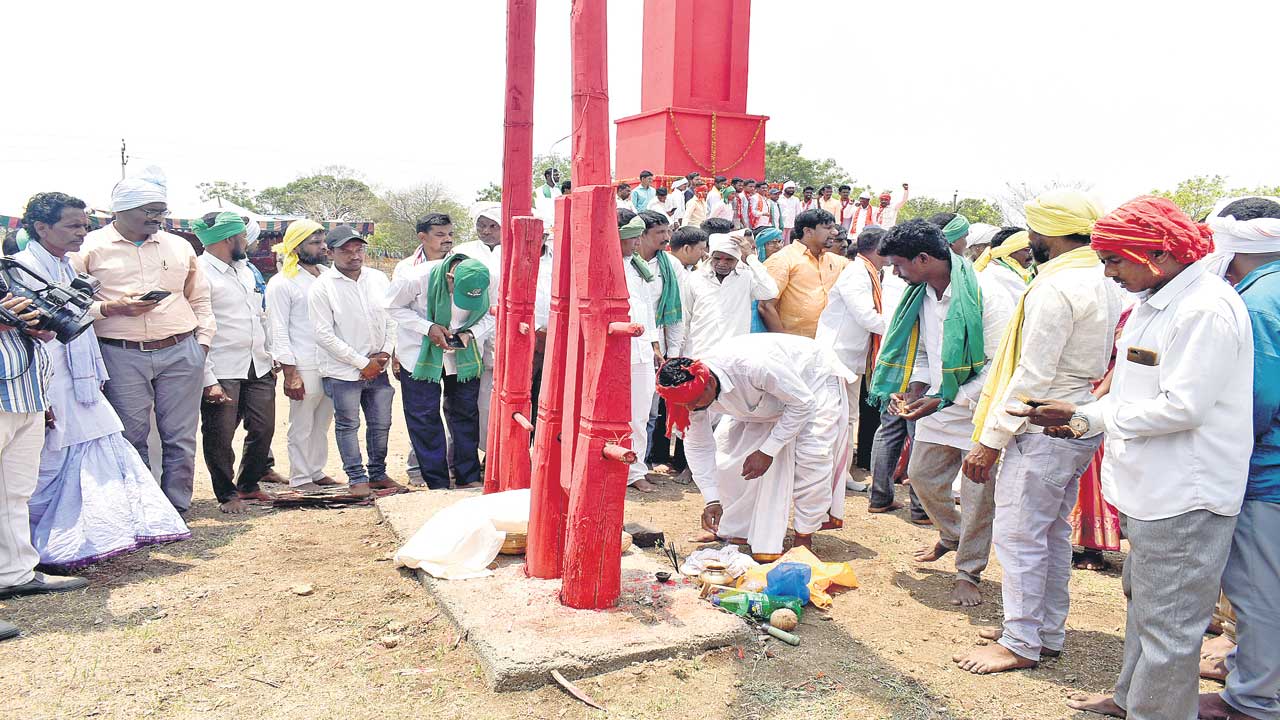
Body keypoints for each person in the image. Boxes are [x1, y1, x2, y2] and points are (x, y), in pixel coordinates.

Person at [1012, 197, 1252, 720]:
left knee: (1170, 625)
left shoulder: (1204, 309)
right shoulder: (1157, 299)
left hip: (1185, 493)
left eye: (1115, 261)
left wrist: (1087, 417)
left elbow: (1183, 407)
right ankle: (1129, 698)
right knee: (1147, 606)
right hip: (1151, 487)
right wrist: (1082, 413)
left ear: (1157, 257)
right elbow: (1132, 386)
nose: (1108, 273)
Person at [953, 189, 1119, 673]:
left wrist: (990, 441)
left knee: (1021, 535)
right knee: (1049, 536)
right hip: (1077, 422)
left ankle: (1021, 640)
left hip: (1044, 428)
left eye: (1035, 231)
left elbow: (1031, 375)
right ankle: (1042, 631)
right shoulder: (1100, 277)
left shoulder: (1056, 287)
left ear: (1051, 233)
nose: (1031, 240)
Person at [20, 194, 182, 587]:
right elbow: (32, 328)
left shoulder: (61, 264)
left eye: (84, 225)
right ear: (42, 228)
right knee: (46, 465)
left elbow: (73, 312)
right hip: (46, 377)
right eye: (73, 226)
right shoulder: (23, 269)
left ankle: (76, 544)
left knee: (97, 446)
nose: (82, 233)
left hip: (80, 377)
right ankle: (36, 550)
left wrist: (110, 308)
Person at [866, 219, 1012, 607]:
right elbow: (926, 350)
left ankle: (969, 570)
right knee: (921, 477)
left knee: (978, 496)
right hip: (938, 406)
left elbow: (998, 367)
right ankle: (951, 535)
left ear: (925, 258)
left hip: (978, 412)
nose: (896, 273)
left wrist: (950, 398)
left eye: (899, 265)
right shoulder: (919, 295)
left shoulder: (987, 294)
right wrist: (915, 388)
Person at [70, 166, 214, 513]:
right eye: (148, 210)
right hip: (120, 354)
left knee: (180, 437)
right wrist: (112, 308)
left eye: (160, 210)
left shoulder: (179, 246)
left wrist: (202, 344)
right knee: (130, 437)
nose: (156, 217)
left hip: (180, 350)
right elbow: (72, 304)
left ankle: (177, 508)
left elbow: (200, 299)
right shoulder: (90, 248)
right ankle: (142, 511)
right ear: (120, 210)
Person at [1196, 196, 1280, 720]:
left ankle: (1253, 699)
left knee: (1258, 587)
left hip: (1266, 471)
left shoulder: (1257, 303)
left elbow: (1256, 399)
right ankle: (1252, 665)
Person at [658, 335, 853, 561]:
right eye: (686, 404)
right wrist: (711, 499)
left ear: (710, 383)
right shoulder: (688, 394)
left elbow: (803, 404)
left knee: (812, 456)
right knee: (729, 457)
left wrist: (768, 450)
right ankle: (738, 529)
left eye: (694, 401)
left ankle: (803, 540)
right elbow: (699, 445)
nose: (691, 408)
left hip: (812, 380)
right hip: (765, 397)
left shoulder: (753, 367)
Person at [194, 212, 279, 513]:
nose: (248, 241)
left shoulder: (245, 270)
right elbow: (197, 328)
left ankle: (249, 484)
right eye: (243, 236)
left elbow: (261, 316)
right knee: (220, 434)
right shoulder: (198, 272)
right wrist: (208, 379)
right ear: (229, 238)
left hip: (259, 363)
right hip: (222, 366)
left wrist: (272, 353)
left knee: (263, 428)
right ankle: (227, 493)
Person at [385, 254, 493, 490]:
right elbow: (392, 306)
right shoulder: (415, 278)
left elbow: (491, 314)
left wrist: (471, 333)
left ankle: (468, 475)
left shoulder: (486, 278)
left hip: (462, 356)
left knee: (465, 414)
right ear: (450, 278)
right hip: (420, 355)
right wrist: (428, 327)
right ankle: (436, 481)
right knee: (424, 416)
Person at [309, 226, 402, 497]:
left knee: (381, 422)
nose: (354, 256)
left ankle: (378, 473)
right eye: (345, 251)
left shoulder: (378, 278)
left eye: (358, 249)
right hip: (343, 371)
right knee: (348, 424)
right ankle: (356, 478)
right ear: (330, 253)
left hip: (378, 367)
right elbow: (323, 334)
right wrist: (362, 362)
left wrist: (384, 354)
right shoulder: (322, 288)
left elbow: (391, 318)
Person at [266, 220, 338, 493]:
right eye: (315, 243)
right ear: (296, 246)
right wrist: (290, 372)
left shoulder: (327, 275)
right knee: (302, 424)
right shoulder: (282, 282)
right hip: (302, 362)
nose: (322, 247)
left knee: (322, 423)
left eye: (322, 242)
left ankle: (316, 471)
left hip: (331, 361)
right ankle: (299, 477)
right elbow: (278, 330)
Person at [816, 227, 888, 493]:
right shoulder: (857, 273)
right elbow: (867, 317)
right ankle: (825, 476)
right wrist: (900, 331)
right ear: (879, 248)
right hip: (837, 357)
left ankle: (841, 474)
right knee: (833, 418)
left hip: (853, 358)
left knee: (847, 420)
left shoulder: (871, 273)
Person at [452, 207, 502, 455]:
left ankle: (494, 453)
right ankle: (466, 454)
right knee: (465, 399)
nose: (486, 231)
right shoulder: (464, 251)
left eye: (493, 225)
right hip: (470, 328)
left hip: (508, 329)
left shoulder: (516, 248)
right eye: (481, 225)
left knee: (496, 399)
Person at [619, 214, 661, 493]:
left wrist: (655, 345)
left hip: (642, 349)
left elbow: (648, 308)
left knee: (641, 413)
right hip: (615, 347)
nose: (637, 241)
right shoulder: (599, 264)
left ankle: (635, 471)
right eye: (632, 235)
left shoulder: (638, 268)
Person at [683, 232, 778, 357]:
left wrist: (750, 257)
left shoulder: (747, 277)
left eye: (729, 259)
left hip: (734, 355)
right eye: (717, 258)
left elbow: (770, 291)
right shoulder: (695, 278)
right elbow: (685, 318)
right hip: (699, 353)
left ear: (737, 260)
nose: (722, 263)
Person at [759, 208, 848, 338]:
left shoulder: (835, 260)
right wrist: (786, 343)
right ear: (808, 231)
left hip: (828, 341)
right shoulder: (782, 259)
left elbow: (863, 268)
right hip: (795, 344)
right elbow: (766, 306)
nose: (834, 232)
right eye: (828, 228)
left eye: (834, 228)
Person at [972, 227, 1034, 306]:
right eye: (1027, 249)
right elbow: (1031, 304)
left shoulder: (996, 268)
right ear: (1008, 251)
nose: (1031, 254)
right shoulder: (1002, 274)